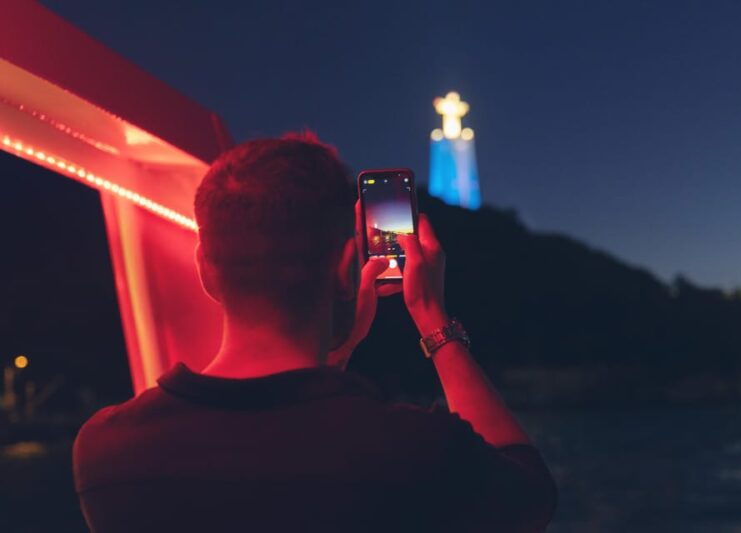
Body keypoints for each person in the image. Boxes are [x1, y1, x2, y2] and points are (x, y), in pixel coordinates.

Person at [72, 133, 557, 532]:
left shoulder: (106, 451)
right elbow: (531, 494)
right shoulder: (414, 450)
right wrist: (433, 320)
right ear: (347, 268)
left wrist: (333, 358)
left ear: (205, 268)